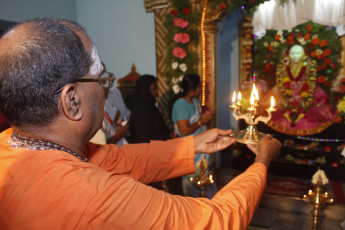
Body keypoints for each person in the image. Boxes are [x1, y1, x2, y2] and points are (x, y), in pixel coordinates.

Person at [0, 18, 281, 229]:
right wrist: (262, 163)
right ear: (71, 100)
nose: (106, 88)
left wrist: (193, 144)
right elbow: (216, 220)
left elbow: (122, 159)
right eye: (100, 78)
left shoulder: (12, 144)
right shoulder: (98, 197)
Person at [266, 44, 335, 135]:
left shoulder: (309, 65)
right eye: (293, 54)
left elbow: (311, 83)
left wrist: (306, 96)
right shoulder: (283, 65)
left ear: (303, 55)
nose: (295, 56)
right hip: (286, 96)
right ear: (288, 54)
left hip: (304, 96)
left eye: (298, 53)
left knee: (318, 102)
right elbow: (281, 83)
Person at [129, 74, 181, 194]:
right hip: (151, 163)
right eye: (154, 88)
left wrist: (169, 136)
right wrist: (167, 139)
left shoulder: (152, 108)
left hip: (162, 155)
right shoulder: (139, 112)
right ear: (145, 90)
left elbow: (160, 129)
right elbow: (144, 141)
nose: (157, 92)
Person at [171, 73, 216, 198]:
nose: (201, 90)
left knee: (206, 186)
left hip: (202, 151)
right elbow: (184, 131)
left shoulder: (195, 101)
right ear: (192, 89)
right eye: (199, 87)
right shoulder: (180, 104)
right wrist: (202, 121)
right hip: (190, 151)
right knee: (190, 189)